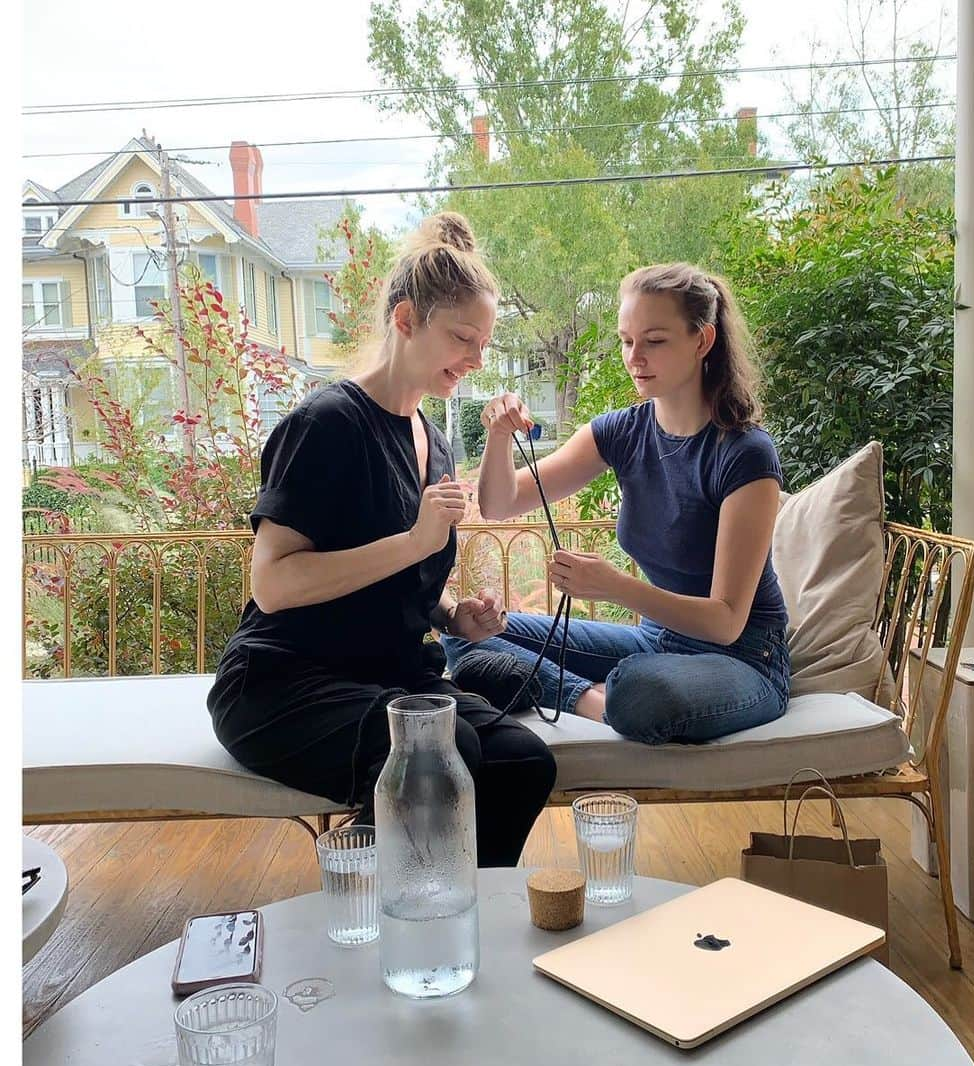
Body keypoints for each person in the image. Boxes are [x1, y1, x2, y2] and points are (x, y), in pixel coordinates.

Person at [206, 212, 556, 868]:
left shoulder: (437, 443)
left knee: (523, 762)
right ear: (405, 321)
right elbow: (274, 585)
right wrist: (417, 542)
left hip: (385, 679)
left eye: (483, 343)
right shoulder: (326, 425)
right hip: (283, 684)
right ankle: (382, 919)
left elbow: (403, 584)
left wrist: (456, 615)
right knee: (436, 753)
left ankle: (464, 914)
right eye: (462, 338)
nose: (477, 360)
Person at [444, 262, 790, 745]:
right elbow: (500, 504)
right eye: (627, 341)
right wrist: (499, 435)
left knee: (637, 692)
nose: (635, 357)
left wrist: (615, 587)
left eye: (655, 340)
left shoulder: (744, 453)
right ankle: (591, 701)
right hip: (656, 641)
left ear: (702, 341)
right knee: (463, 632)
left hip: (744, 659)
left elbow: (727, 621)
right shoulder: (622, 432)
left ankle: (612, 699)